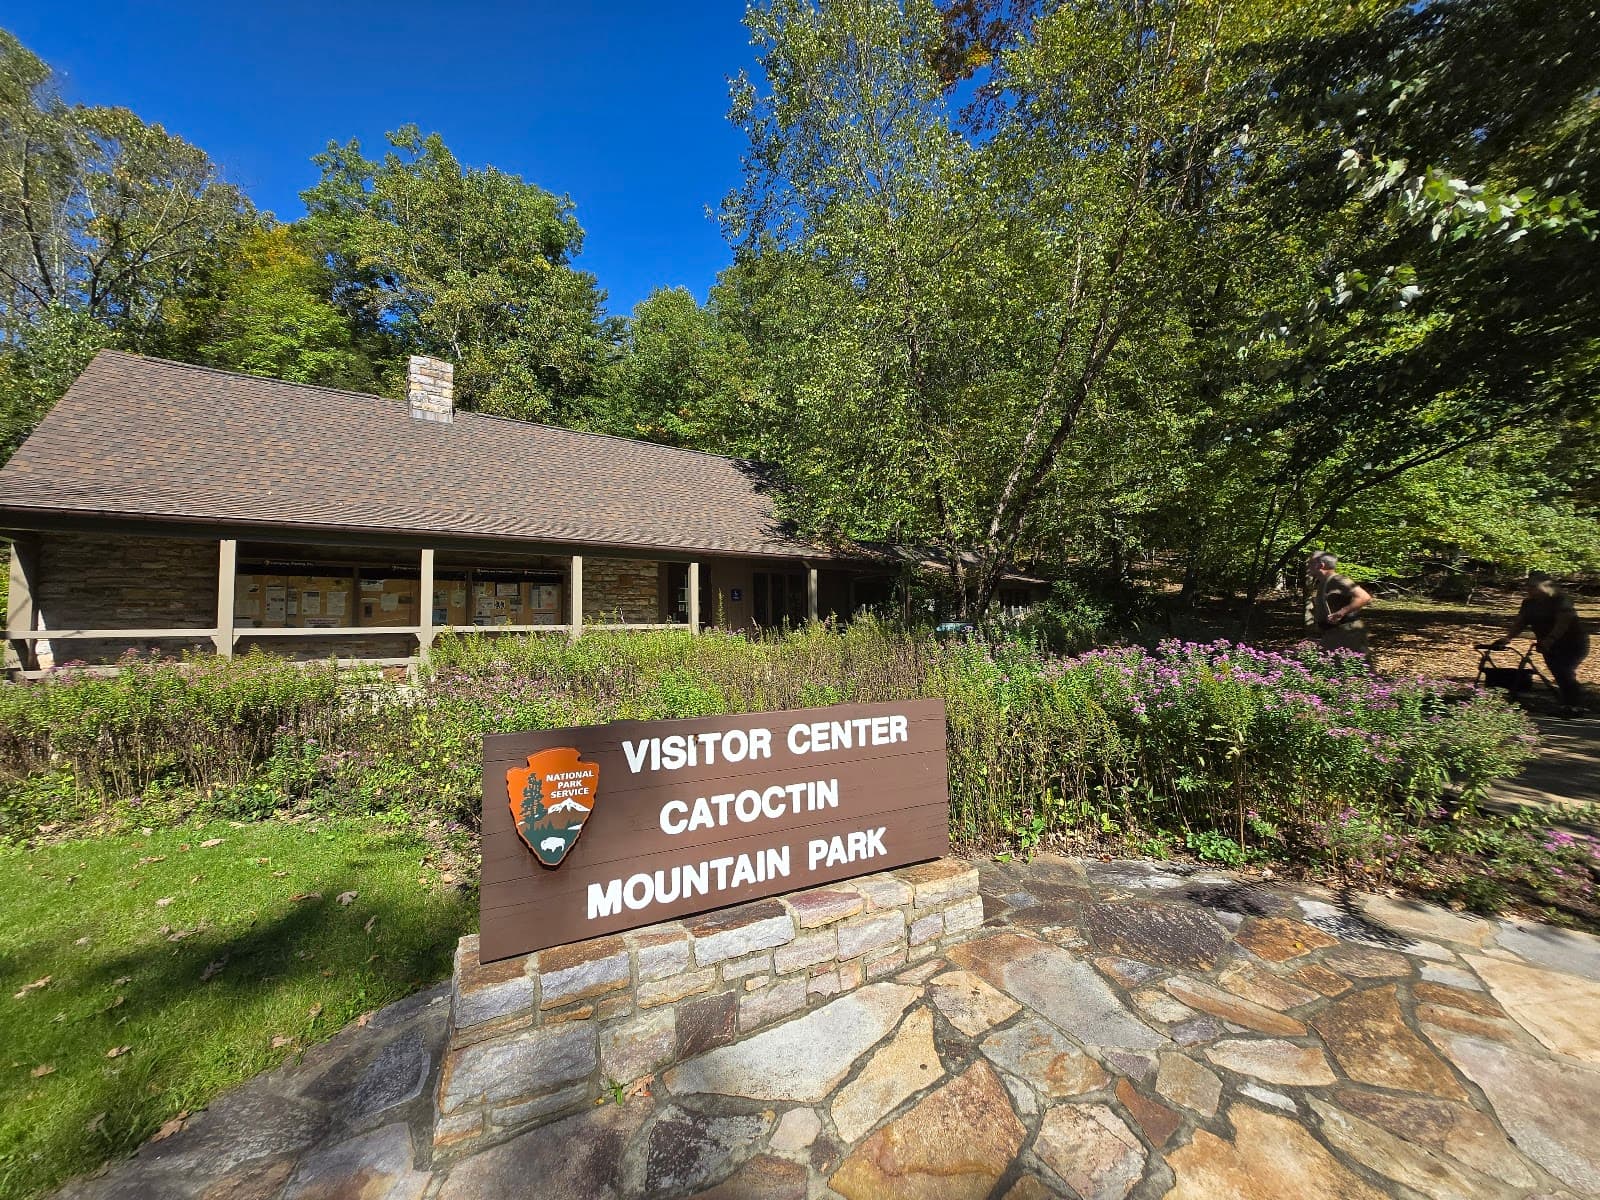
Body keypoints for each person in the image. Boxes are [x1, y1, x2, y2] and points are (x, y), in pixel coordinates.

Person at [1493, 572, 1590, 717]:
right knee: (1559, 673)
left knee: (1564, 671)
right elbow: (1520, 622)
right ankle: (1567, 704)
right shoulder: (1528, 603)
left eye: (1533, 587)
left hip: (1573, 643)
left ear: (1546, 586)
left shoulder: (1561, 600)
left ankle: (1575, 706)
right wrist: (1507, 638)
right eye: (1528, 586)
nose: (1529, 590)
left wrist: (1550, 639)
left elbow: (1563, 622)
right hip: (1548, 645)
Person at [1306, 552, 1374, 667]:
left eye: (1310, 563)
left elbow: (1364, 597)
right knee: (1328, 668)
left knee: (1359, 669)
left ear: (1321, 565)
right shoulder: (1323, 582)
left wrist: (1341, 612)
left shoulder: (1338, 579)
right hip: (1332, 633)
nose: (1308, 566)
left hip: (1348, 632)